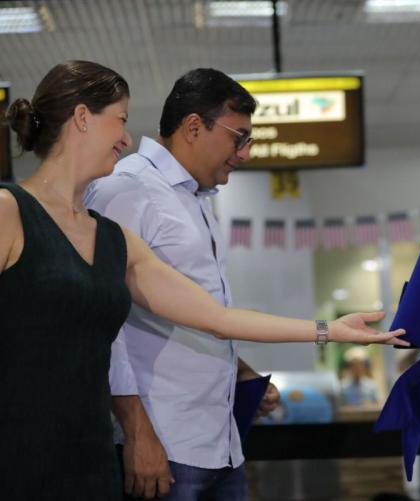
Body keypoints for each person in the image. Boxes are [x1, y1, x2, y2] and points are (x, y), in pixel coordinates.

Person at [0, 60, 407, 501]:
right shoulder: (13, 211)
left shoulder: (111, 236)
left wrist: (329, 330)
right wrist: (138, 431)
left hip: (92, 453)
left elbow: (217, 318)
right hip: (25, 450)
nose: (124, 138)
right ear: (82, 118)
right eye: (120, 120)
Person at [83, 68, 278, 500]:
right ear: (194, 126)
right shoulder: (127, 189)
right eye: (238, 137)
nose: (244, 153)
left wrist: (241, 372)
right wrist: (137, 433)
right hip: (163, 447)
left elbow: (198, 312)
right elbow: (105, 325)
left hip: (220, 443)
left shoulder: (196, 198)